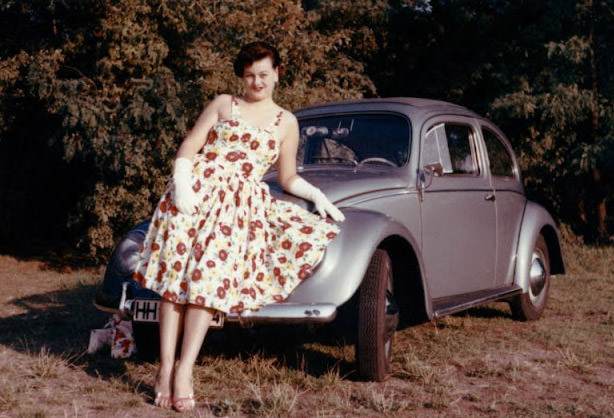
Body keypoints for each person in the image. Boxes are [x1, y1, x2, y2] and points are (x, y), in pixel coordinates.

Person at [132, 41, 344, 412]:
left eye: (263, 74)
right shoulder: (223, 104)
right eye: (249, 75)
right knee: (173, 284)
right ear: (241, 77)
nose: (256, 82)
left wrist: (316, 196)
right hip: (194, 195)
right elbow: (189, 146)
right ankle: (164, 369)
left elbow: (288, 176)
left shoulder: (286, 121)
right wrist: (182, 184)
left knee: (204, 287)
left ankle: (185, 371)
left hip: (236, 208)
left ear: (277, 73)